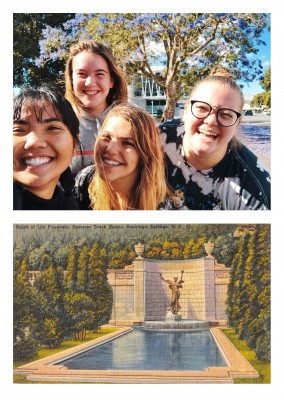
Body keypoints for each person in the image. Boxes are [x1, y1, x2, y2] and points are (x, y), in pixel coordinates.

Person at [160, 66, 271, 210]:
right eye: (202, 108)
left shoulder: (255, 192)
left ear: (237, 124)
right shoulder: (155, 139)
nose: (211, 121)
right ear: (186, 111)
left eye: (225, 114)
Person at [73, 105, 183, 210]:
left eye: (127, 143)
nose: (110, 149)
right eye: (107, 137)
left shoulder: (165, 209)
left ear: (145, 154)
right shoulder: (84, 182)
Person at [65, 40, 128, 175]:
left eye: (100, 74)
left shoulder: (132, 123)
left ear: (111, 81)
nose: (90, 82)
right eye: (82, 74)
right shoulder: (60, 124)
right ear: (71, 79)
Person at [13, 86, 81, 210]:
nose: (34, 142)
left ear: (74, 144)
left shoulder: (70, 205)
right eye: (18, 130)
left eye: (52, 128)